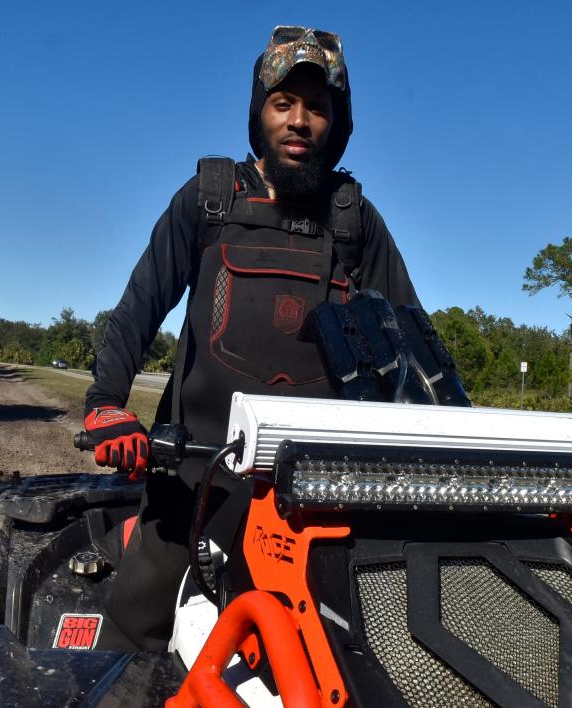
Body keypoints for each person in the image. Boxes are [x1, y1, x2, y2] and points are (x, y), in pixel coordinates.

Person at [83, 26, 420, 651]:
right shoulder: (209, 199)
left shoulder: (355, 221)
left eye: (317, 108)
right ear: (258, 111)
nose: (299, 122)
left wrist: (447, 443)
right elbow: (141, 305)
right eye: (283, 103)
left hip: (316, 491)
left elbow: (409, 343)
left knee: (335, 652)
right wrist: (106, 403)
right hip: (194, 476)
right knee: (136, 626)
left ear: (338, 122)